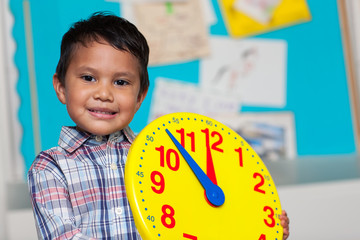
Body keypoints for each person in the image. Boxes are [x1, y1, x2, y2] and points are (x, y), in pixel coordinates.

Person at [27, 11, 290, 239]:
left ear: (140, 96)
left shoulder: (161, 156)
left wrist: (260, 226)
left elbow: (198, 219)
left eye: (121, 82)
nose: (104, 94)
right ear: (61, 88)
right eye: (88, 78)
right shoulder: (51, 167)